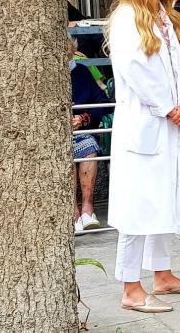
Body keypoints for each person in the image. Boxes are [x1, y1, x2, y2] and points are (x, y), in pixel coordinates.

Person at [107, 0, 180, 313]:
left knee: (165, 199)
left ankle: (162, 275)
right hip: (145, 126)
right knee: (136, 207)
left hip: (172, 123)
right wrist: (169, 107)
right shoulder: (125, 18)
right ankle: (130, 288)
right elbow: (136, 73)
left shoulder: (166, 16)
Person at [68, 37, 113, 232]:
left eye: (69, 53)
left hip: (82, 132)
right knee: (61, 153)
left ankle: (87, 208)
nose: (67, 57)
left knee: (88, 147)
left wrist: (83, 117)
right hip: (56, 136)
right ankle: (72, 211)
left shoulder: (82, 72)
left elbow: (102, 103)